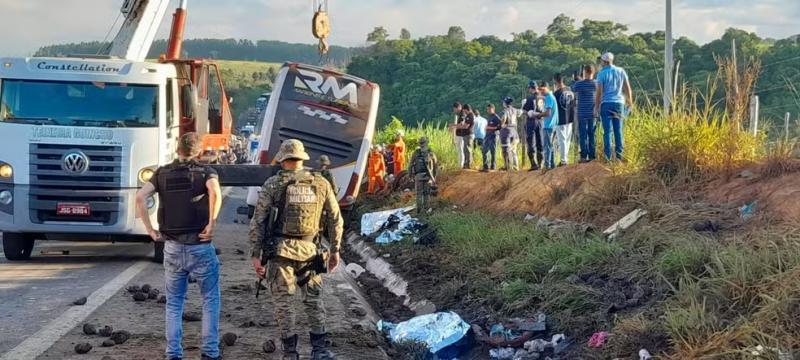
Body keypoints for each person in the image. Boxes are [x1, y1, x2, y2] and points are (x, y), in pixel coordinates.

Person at [249, 139, 342, 360]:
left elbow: (258, 221)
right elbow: (335, 219)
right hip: (311, 251)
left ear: (283, 160)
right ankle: (319, 350)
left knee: (284, 301)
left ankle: (290, 352)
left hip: (280, 251)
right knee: (313, 299)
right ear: (302, 159)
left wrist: (256, 255)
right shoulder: (320, 183)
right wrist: (336, 250)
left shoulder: (273, 184)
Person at [135, 133, 223, 360]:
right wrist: (211, 224)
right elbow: (215, 192)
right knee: (210, 299)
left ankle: (173, 353)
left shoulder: (161, 173)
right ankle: (210, 352)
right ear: (200, 151)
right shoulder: (205, 172)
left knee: (174, 302)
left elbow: (139, 197)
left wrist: (150, 229)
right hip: (200, 245)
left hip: (172, 246)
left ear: (177, 149)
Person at [595, 52, 633, 161]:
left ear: (604, 61)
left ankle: (608, 157)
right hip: (619, 103)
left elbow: (599, 92)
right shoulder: (621, 71)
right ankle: (619, 156)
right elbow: (627, 88)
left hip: (606, 103)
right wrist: (630, 102)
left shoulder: (601, 74)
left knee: (607, 131)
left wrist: (596, 107)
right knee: (618, 130)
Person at [572, 65, 598, 162]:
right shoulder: (597, 83)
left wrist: (575, 79)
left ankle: (583, 156)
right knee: (591, 134)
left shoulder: (580, 84)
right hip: (593, 112)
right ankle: (592, 155)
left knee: (583, 135)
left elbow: (573, 88)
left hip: (582, 112)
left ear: (585, 72)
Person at [408, 136, 439, 214]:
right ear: (427, 143)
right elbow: (435, 166)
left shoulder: (416, 152)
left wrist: (410, 175)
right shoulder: (431, 153)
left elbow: (410, 165)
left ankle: (419, 209)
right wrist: (434, 178)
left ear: (420, 144)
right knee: (426, 193)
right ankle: (426, 208)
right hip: (428, 176)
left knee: (419, 193)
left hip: (418, 176)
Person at [553, 73, 576, 166]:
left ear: (556, 82)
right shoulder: (570, 90)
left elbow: (554, 108)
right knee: (567, 139)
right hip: (570, 118)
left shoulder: (556, 93)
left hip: (561, 119)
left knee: (562, 140)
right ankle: (565, 158)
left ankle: (563, 160)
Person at [522, 81, 544, 170]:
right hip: (541, 120)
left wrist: (527, 112)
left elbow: (524, 111)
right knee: (540, 141)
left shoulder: (530, 98)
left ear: (531, 88)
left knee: (530, 142)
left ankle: (533, 164)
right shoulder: (543, 97)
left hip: (531, 121)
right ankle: (540, 164)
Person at [536, 81, 559, 169]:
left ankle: (547, 165)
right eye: (540, 90)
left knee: (547, 147)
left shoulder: (549, 97)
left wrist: (539, 115)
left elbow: (548, 113)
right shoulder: (550, 96)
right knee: (550, 146)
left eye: (542, 90)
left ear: (546, 88)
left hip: (548, 125)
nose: (541, 92)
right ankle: (552, 165)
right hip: (552, 125)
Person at [500, 97, 521, 171]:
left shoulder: (505, 110)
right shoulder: (515, 110)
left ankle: (507, 166)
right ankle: (516, 167)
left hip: (507, 131)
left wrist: (502, 125)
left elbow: (504, 119)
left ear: (505, 103)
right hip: (514, 131)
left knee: (506, 150)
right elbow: (521, 113)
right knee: (514, 150)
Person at [455, 104, 475, 169]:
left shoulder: (470, 115)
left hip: (468, 134)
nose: (464, 112)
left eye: (464, 110)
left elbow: (466, 126)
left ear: (466, 109)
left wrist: (458, 126)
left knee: (467, 149)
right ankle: (466, 163)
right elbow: (464, 124)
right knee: (465, 149)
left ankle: (468, 164)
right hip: (466, 135)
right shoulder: (468, 116)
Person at [482, 103, 501, 171]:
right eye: (488, 109)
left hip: (493, 136)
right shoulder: (489, 117)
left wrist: (490, 128)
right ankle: (485, 166)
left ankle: (493, 166)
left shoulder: (496, 117)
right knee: (484, 151)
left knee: (493, 151)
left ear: (493, 109)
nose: (489, 110)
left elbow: (499, 126)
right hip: (487, 136)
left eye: (490, 109)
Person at [452, 102, 465, 168]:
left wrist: (454, 126)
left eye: (454, 109)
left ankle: (461, 165)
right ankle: (459, 164)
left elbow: (462, 124)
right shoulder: (459, 114)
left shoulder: (462, 113)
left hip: (461, 134)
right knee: (458, 149)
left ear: (458, 108)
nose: (454, 110)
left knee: (460, 149)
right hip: (459, 134)